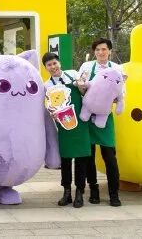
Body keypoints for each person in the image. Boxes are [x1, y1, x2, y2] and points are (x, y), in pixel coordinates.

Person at [42, 52, 91, 208]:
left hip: (81, 122)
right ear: (46, 68)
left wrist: (82, 87)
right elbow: (48, 106)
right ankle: (67, 192)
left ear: (59, 63)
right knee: (66, 159)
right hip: (64, 125)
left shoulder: (73, 74)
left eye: (54, 63)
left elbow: (85, 94)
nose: (53, 67)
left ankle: (80, 192)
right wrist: (52, 114)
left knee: (81, 159)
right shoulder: (47, 86)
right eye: (49, 65)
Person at [77, 38, 122, 207]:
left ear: (110, 51)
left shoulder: (117, 69)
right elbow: (80, 86)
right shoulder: (86, 67)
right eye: (97, 50)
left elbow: (121, 92)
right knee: (88, 155)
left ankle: (114, 194)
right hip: (87, 116)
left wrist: (113, 98)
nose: (101, 52)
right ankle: (93, 190)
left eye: (104, 49)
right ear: (94, 52)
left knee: (109, 156)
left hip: (105, 116)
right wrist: (81, 86)